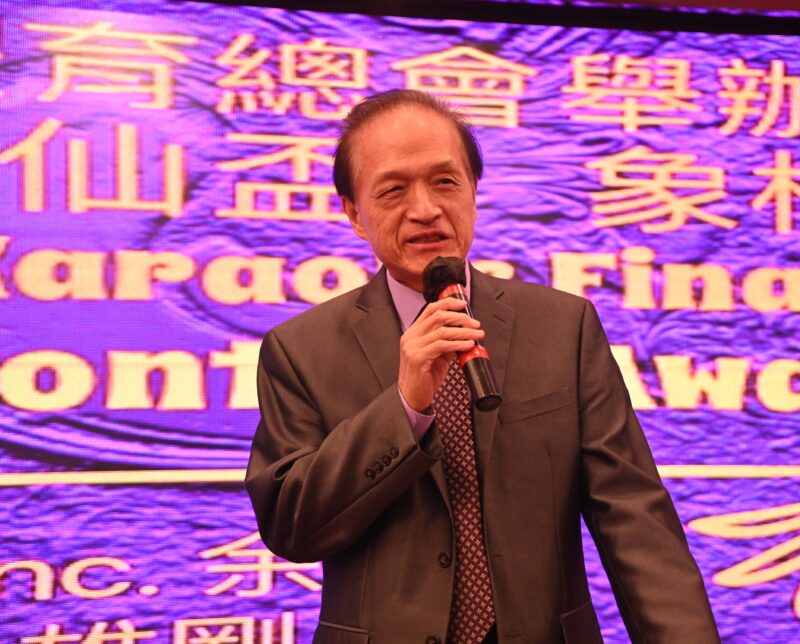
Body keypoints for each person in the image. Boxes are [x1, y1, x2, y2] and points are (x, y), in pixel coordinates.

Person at [245, 89, 719, 644]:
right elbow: (291, 526)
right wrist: (405, 407)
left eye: (445, 182)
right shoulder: (301, 350)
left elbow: (634, 517)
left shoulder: (563, 328)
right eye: (393, 190)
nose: (425, 209)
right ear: (354, 214)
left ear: (473, 190)